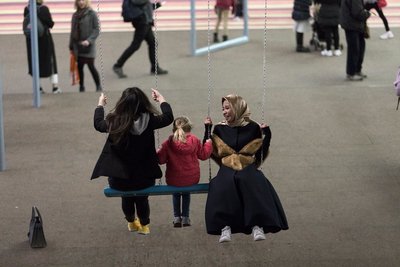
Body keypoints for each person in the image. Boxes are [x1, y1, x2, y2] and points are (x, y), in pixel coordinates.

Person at [205, 94, 288, 243]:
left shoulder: (253, 127)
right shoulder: (219, 128)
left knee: (253, 181)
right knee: (222, 184)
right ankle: (225, 227)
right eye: (223, 109)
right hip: (227, 165)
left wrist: (267, 135)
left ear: (237, 108)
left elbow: (260, 153)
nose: (224, 112)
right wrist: (207, 129)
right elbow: (209, 148)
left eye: (227, 108)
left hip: (247, 164)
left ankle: (257, 225)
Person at [91, 87, 174, 235]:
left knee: (126, 197)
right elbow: (168, 117)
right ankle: (144, 225)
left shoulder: (115, 121)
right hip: (145, 178)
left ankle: (131, 222)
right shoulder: (150, 120)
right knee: (142, 199)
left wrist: (100, 105)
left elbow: (98, 124)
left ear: (122, 103)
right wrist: (161, 99)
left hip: (119, 179)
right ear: (143, 103)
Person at [157, 116, 213, 228]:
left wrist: (158, 151)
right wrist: (208, 143)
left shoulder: (168, 143)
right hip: (191, 179)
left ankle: (177, 217)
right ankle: (186, 218)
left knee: (176, 194)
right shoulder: (195, 141)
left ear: (174, 129)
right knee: (186, 194)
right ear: (189, 127)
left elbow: (161, 160)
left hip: (173, 179)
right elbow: (203, 155)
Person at [112, 0, 168, 78]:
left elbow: (146, 6)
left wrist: (158, 4)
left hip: (145, 22)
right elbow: (139, 3)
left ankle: (155, 68)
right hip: (142, 22)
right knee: (135, 45)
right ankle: (118, 65)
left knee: (153, 43)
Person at [24, 0, 61, 94]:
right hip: (45, 39)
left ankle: (38, 88)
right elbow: (50, 23)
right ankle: (55, 87)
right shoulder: (44, 9)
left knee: (35, 62)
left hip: (31, 40)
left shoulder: (27, 9)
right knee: (51, 61)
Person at [69, 0, 102, 93]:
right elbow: (72, 32)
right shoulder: (75, 15)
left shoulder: (92, 14)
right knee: (79, 67)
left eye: (83, 0)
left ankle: (98, 85)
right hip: (77, 46)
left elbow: (96, 29)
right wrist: (71, 45)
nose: (81, 2)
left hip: (88, 46)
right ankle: (81, 86)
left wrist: (89, 40)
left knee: (91, 66)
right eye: (79, 0)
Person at [339, 0, 370, 81]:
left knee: (360, 47)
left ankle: (357, 70)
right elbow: (357, 12)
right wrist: (367, 14)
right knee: (354, 49)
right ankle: (351, 72)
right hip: (352, 24)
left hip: (353, 24)